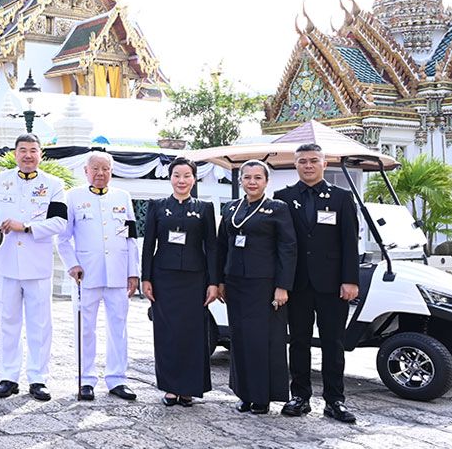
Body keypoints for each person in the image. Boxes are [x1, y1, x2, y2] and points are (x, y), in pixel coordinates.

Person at [274, 143, 359, 423]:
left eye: (313, 160)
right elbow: (279, 244)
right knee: (298, 341)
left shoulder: (342, 198)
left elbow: (349, 242)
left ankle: (335, 401)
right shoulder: (282, 198)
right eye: (302, 161)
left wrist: (350, 280)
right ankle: (300, 396)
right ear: (294, 164)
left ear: (324, 163)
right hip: (296, 283)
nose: (308, 165)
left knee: (332, 343)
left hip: (332, 285)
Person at [0, 133, 68, 402]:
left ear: (40, 154)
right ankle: (8, 376)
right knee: (8, 321)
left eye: (33, 150)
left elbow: (60, 223)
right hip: (8, 262)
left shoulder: (54, 184)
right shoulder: (0, 181)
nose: (28, 155)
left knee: (40, 324)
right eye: (23, 150)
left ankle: (38, 378)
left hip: (38, 265)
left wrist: (28, 227)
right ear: (15, 154)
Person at [215, 159, 297, 415]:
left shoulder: (277, 209)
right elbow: (221, 247)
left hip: (265, 285)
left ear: (266, 181)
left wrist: (283, 286)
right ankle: (245, 393)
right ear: (240, 181)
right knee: (239, 339)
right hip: (235, 284)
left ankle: (262, 396)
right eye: (247, 177)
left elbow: (288, 249)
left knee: (263, 340)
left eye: (257, 178)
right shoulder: (230, 208)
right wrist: (219, 281)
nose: (251, 182)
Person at [58, 151, 140, 401]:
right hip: (86, 275)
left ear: (111, 171)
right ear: (86, 171)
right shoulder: (73, 197)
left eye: (105, 168)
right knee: (85, 329)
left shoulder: (122, 197)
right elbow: (62, 238)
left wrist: (133, 272)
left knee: (118, 328)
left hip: (117, 274)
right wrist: (72, 265)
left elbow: (131, 237)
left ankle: (117, 379)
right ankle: (86, 380)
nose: (100, 173)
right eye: (95, 169)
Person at [141, 157, 218, 407]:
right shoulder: (157, 206)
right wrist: (146, 278)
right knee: (167, 333)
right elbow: (148, 244)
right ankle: (170, 388)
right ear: (170, 177)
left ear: (194, 178)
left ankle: (189, 388)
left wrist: (214, 282)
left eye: (186, 175)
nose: (181, 180)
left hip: (195, 279)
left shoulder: (204, 208)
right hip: (164, 279)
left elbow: (212, 247)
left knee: (193, 334)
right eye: (177, 175)